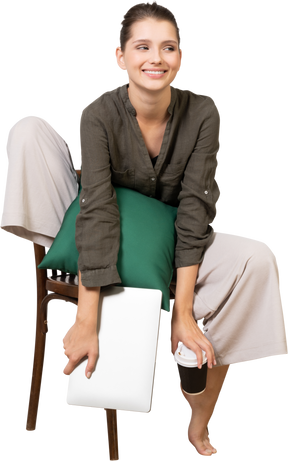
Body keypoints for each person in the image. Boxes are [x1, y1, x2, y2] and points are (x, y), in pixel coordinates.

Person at [0, 1, 287, 458]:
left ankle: (198, 416)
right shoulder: (97, 112)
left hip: (172, 241)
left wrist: (185, 314)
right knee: (30, 131)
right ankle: (70, 263)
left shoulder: (204, 111)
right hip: (105, 235)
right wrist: (87, 315)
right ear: (120, 57)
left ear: (182, 59)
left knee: (257, 257)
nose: (156, 58)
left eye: (168, 47)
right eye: (143, 47)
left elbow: (197, 210)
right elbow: (97, 208)